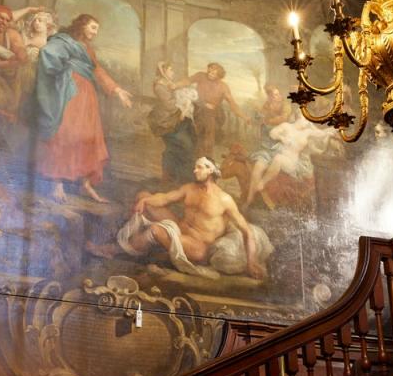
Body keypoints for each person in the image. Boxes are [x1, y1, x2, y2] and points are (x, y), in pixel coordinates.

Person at [91, 157, 272, 279]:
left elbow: (247, 231)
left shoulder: (225, 200)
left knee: (155, 230)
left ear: (211, 170)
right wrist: (145, 199)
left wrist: (251, 262)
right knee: (144, 197)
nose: (195, 170)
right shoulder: (190, 188)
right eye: (195, 167)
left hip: (199, 247)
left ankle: (113, 250)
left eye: (199, 167)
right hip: (180, 228)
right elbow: (165, 198)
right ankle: (135, 241)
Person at [32, 14, 133, 203]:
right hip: (68, 92)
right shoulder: (65, 41)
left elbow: (97, 70)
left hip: (87, 95)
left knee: (88, 137)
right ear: (82, 25)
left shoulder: (88, 49)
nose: (95, 32)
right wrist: (63, 70)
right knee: (65, 134)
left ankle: (85, 184)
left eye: (97, 29)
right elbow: (47, 54)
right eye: (93, 27)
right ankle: (57, 184)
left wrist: (116, 89)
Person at [244, 115, 336, 208]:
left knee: (278, 159)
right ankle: (249, 200)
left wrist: (332, 130)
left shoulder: (307, 132)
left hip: (291, 161)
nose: (308, 123)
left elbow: (321, 133)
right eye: (306, 121)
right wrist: (282, 138)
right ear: (299, 118)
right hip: (275, 152)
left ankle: (262, 183)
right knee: (259, 166)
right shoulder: (286, 126)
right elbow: (272, 133)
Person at [179, 62, 250, 159]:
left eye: (214, 72)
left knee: (208, 137)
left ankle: (207, 159)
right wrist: (175, 85)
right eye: (210, 70)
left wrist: (244, 117)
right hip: (197, 111)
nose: (210, 73)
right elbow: (187, 81)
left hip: (212, 115)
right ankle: (194, 159)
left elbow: (232, 104)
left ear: (219, 76)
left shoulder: (223, 86)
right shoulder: (200, 76)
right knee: (194, 136)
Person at [147, 61, 197, 184]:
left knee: (183, 146)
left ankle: (178, 178)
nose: (173, 72)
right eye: (171, 70)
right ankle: (171, 178)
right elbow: (170, 106)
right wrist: (184, 105)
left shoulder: (168, 84)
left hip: (174, 119)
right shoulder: (159, 86)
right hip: (165, 122)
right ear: (163, 71)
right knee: (181, 146)